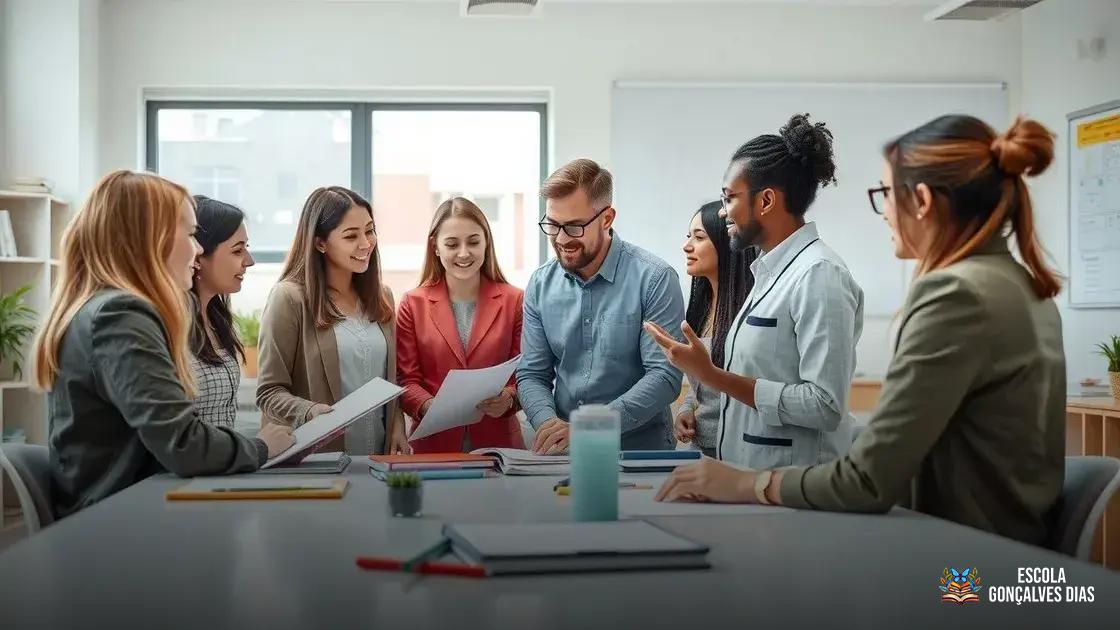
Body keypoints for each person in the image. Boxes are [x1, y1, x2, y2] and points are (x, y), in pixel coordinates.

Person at [651, 115, 1065, 547]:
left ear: (921, 199)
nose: (884, 210)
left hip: (965, 558)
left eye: (885, 194)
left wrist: (747, 484)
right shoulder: (1019, 282)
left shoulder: (952, 295)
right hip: (996, 542)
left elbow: (866, 477)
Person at [31, 170, 293, 519]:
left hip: (135, 510)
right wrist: (261, 448)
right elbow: (184, 445)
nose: (198, 248)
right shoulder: (121, 314)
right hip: (122, 524)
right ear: (152, 240)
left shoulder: (106, 307)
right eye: (189, 234)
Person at [646, 113, 864, 469]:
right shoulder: (766, 274)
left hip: (795, 485)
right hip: (746, 478)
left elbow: (824, 405)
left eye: (730, 197)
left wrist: (712, 376)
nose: (723, 211)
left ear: (765, 201)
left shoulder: (820, 274)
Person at [518, 159, 686, 454]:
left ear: (607, 218)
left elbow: (665, 377)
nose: (560, 239)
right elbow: (532, 374)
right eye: (553, 225)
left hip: (639, 456)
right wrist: (549, 427)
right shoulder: (540, 284)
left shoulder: (655, 278)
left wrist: (586, 429)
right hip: (564, 457)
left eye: (574, 226)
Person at [256, 186, 408, 455]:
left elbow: (390, 377)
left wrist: (397, 424)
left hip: (377, 459)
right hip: (319, 460)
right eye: (351, 236)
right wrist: (310, 411)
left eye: (370, 231)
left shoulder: (382, 297)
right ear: (320, 243)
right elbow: (269, 392)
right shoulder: (289, 298)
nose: (365, 243)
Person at [396, 197, 526, 453]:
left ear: (487, 242)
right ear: (435, 247)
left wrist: (509, 399)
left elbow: (526, 375)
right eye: (452, 244)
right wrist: (428, 406)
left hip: (500, 446)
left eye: (474, 242)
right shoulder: (413, 303)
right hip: (433, 444)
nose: (464, 253)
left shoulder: (515, 300)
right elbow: (405, 379)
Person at [676, 201, 758, 457]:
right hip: (700, 449)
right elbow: (703, 381)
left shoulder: (751, 312)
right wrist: (685, 409)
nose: (687, 246)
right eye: (689, 236)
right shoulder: (700, 309)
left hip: (738, 452)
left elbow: (745, 386)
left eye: (699, 237)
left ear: (727, 244)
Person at [189, 195, 256, 428]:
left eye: (246, 248)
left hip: (225, 462)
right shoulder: (167, 327)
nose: (250, 261)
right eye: (238, 251)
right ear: (197, 255)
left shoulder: (218, 320)